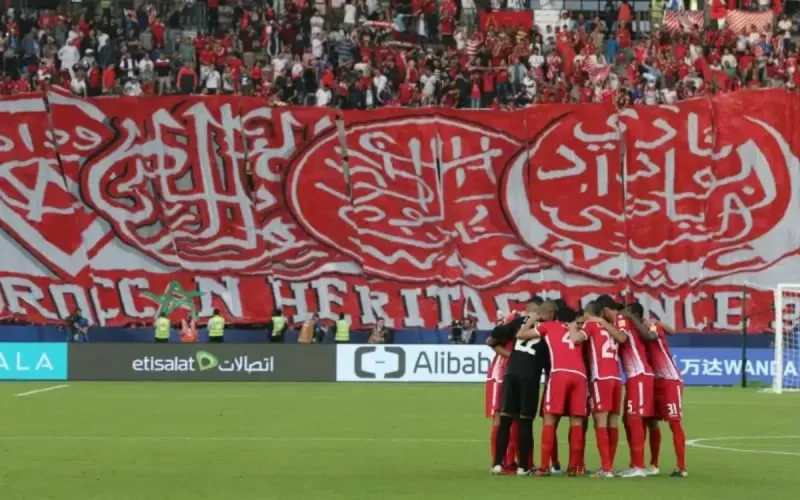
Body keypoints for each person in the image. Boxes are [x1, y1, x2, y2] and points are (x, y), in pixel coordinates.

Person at [596, 294, 657, 478]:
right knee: (628, 419)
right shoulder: (622, 319)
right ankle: (635, 463)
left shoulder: (621, 319)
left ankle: (639, 465)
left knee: (634, 418)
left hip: (639, 374)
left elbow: (623, 338)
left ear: (606, 311)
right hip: (634, 376)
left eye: (602, 314)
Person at [627, 302, 688, 478]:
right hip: (652, 380)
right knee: (651, 421)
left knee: (674, 421)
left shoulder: (649, 325)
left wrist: (658, 322)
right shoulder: (635, 330)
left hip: (669, 380)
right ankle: (653, 464)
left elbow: (664, 332)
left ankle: (681, 467)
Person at [489, 304, 549, 476]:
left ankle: (497, 464)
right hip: (530, 376)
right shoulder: (548, 327)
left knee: (505, 419)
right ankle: (523, 466)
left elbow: (495, 336)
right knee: (525, 421)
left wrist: (503, 349)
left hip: (511, 373)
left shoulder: (520, 322)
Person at [530, 303, 589, 477]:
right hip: (580, 375)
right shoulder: (579, 331)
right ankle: (574, 467)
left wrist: (532, 321)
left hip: (559, 374)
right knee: (577, 422)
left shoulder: (549, 326)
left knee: (549, 419)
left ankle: (544, 466)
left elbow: (522, 334)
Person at [582, 301, 628, 478]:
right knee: (612, 422)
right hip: (616, 378)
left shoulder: (590, 324)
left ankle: (606, 468)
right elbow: (622, 338)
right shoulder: (612, 327)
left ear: (588, 314)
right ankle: (610, 466)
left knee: (600, 422)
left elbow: (578, 339)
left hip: (600, 377)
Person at [486, 311, 520, 473]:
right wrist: (511, 356)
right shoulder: (510, 328)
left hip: (512, 374)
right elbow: (492, 342)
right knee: (500, 418)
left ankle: (509, 461)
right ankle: (498, 461)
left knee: (514, 420)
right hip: (500, 375)